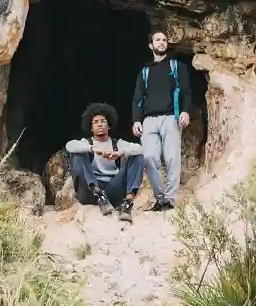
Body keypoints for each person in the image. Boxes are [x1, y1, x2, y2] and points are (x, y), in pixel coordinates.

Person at [131, 30, 191, 211]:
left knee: (172, 158)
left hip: (171, 118)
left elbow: (186, 92)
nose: (162, 42)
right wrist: (136, 120)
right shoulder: (144, 72)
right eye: (157, 40)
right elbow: (137, 98)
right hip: (149, 120)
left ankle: (169, 199)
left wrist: (186, 111)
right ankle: (160, 198)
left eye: (164, 40)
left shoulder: (177, 67)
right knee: (149, 157)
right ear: (151, 45)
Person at [64, 102, 144, 222]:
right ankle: (98, 194)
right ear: (91, 128)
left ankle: (127, 204)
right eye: (95, 122)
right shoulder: (87, 143)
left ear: (109, 125)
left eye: (103, 121)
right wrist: (92, 149)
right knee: (78, 154)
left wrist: (120, 152)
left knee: (137, 156)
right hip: (90, 191)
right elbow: (69, 146)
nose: (99, 124)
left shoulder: (117, 143)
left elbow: (141, 149)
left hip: (113, 189)